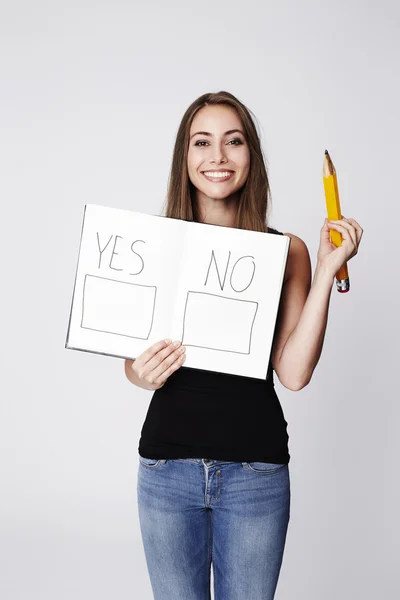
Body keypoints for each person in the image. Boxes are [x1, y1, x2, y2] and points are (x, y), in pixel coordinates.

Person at [124, 91, 363, 600]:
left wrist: (325, 272)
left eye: (233, 141)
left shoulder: (287, 250)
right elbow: (133, 366)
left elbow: (294, 373)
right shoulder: (157, 242)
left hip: (255, 474)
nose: (217, 156)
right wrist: (140, 372)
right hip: (168, 471)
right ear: (184, 159)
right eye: (202, 142)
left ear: (250, 155)